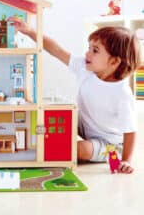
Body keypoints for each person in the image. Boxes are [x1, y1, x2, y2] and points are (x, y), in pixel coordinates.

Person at [8, 16, 141, 174]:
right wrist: (30, 32)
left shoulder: (122, 94)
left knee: (79, 149)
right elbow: (57, 50)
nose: (87, 53)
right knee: (56, 112)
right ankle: (43, 146)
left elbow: (130, 130)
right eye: (89, 48)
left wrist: (125, 160)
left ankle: (60, 155)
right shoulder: (85, 68)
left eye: (95, 50)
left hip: (109, 143)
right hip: (84, 125)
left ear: (114, 62)